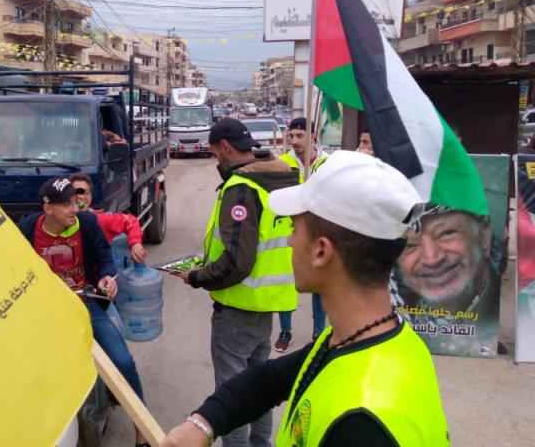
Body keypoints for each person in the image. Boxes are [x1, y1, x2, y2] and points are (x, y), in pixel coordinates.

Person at [161, 150, 449, 447]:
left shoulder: (361, 423)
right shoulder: (368, 338)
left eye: (293, 227)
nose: (288, 240)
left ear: (321, 251)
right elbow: (269, 380)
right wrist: (202, 424)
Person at [174, 118, 298, 447]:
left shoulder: (242, 187)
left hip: (238, 304)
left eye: (215, 153)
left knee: (234, 396)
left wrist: (198, 276)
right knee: (259, 388)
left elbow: (237, 262)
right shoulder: (280, 176)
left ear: (226, 148)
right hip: (269, 302)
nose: (216, 159)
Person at [18, 177, 148, 447]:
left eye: (75, 202)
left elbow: (104, 260)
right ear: (48, 208)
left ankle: (141, 430)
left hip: (85, 303)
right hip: (45, 310)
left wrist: (107, 279)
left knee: (122, 361)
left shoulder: (87, 225)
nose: (74, 209)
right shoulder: (29, 227)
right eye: (66, 204)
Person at [391, 205, 504, 356]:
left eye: (446, 233)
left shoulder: (490, 320)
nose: (431, 259)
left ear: (484, 237)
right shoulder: (392, 315)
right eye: (410, 244)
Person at [275, 117, 328, 352]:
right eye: (292, 136)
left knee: (320, 286)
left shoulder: (327, 164)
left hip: (319, 233)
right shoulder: (283, 164)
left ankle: (319, 333)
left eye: (300, 135)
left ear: (313, 136)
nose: (294, 141)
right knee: (287, 283)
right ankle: (285, 331)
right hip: (290, 233)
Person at [70, 173, 147, 263]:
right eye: (76, 192)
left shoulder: (100, 219)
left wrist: (135, 244)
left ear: (91, 197)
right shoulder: (58, 223)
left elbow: (130, 221)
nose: (81, 196)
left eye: (86, 193)